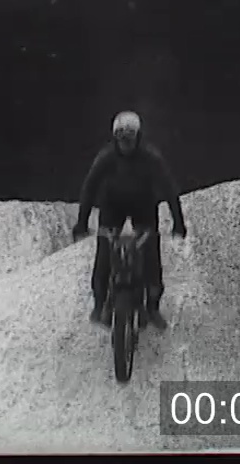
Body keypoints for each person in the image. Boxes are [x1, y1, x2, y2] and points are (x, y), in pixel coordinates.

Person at [72, 110, 187, 330]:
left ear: (137, 137)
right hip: (112, 206)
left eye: (130, 139)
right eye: (122, 139)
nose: (126, 144)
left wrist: (178, 221)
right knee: (105, 250)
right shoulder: (106, 157)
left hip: (143, 205)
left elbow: (169, 188)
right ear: (115, 138)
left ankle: (152, 306)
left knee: (151, 251)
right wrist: (82, 221)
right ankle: (99, 302)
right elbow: (90, 187)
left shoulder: (151, 157)